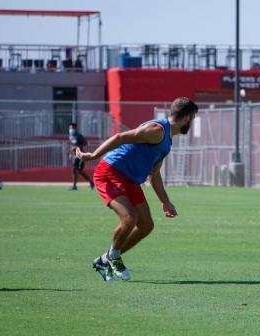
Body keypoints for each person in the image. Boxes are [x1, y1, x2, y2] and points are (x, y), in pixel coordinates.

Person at [76, 97, 198, 281]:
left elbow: (154, 174)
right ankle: (113, 256)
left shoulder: (166, 139)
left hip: (130, 180)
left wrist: (165, 201)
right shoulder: (157, 131)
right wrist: (93, 155)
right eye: (193, 118)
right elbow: (120, 137)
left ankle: (105, 259)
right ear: (187, 118)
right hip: (110, 172)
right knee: (129, 218)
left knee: (146, 225)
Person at [67, 122, 94, 191]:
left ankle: (91, 183)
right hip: (75, 155)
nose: (70, 129)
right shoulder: (71, 136)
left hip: (80, 155)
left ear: (75, 128)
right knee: (74, 169)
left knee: (79, 170)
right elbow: (73, 145)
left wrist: (77, 147)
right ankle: (74, 186)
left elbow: (85, 143)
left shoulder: (79, 136)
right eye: (70, 128)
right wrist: (70, 153)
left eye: (72, 128)